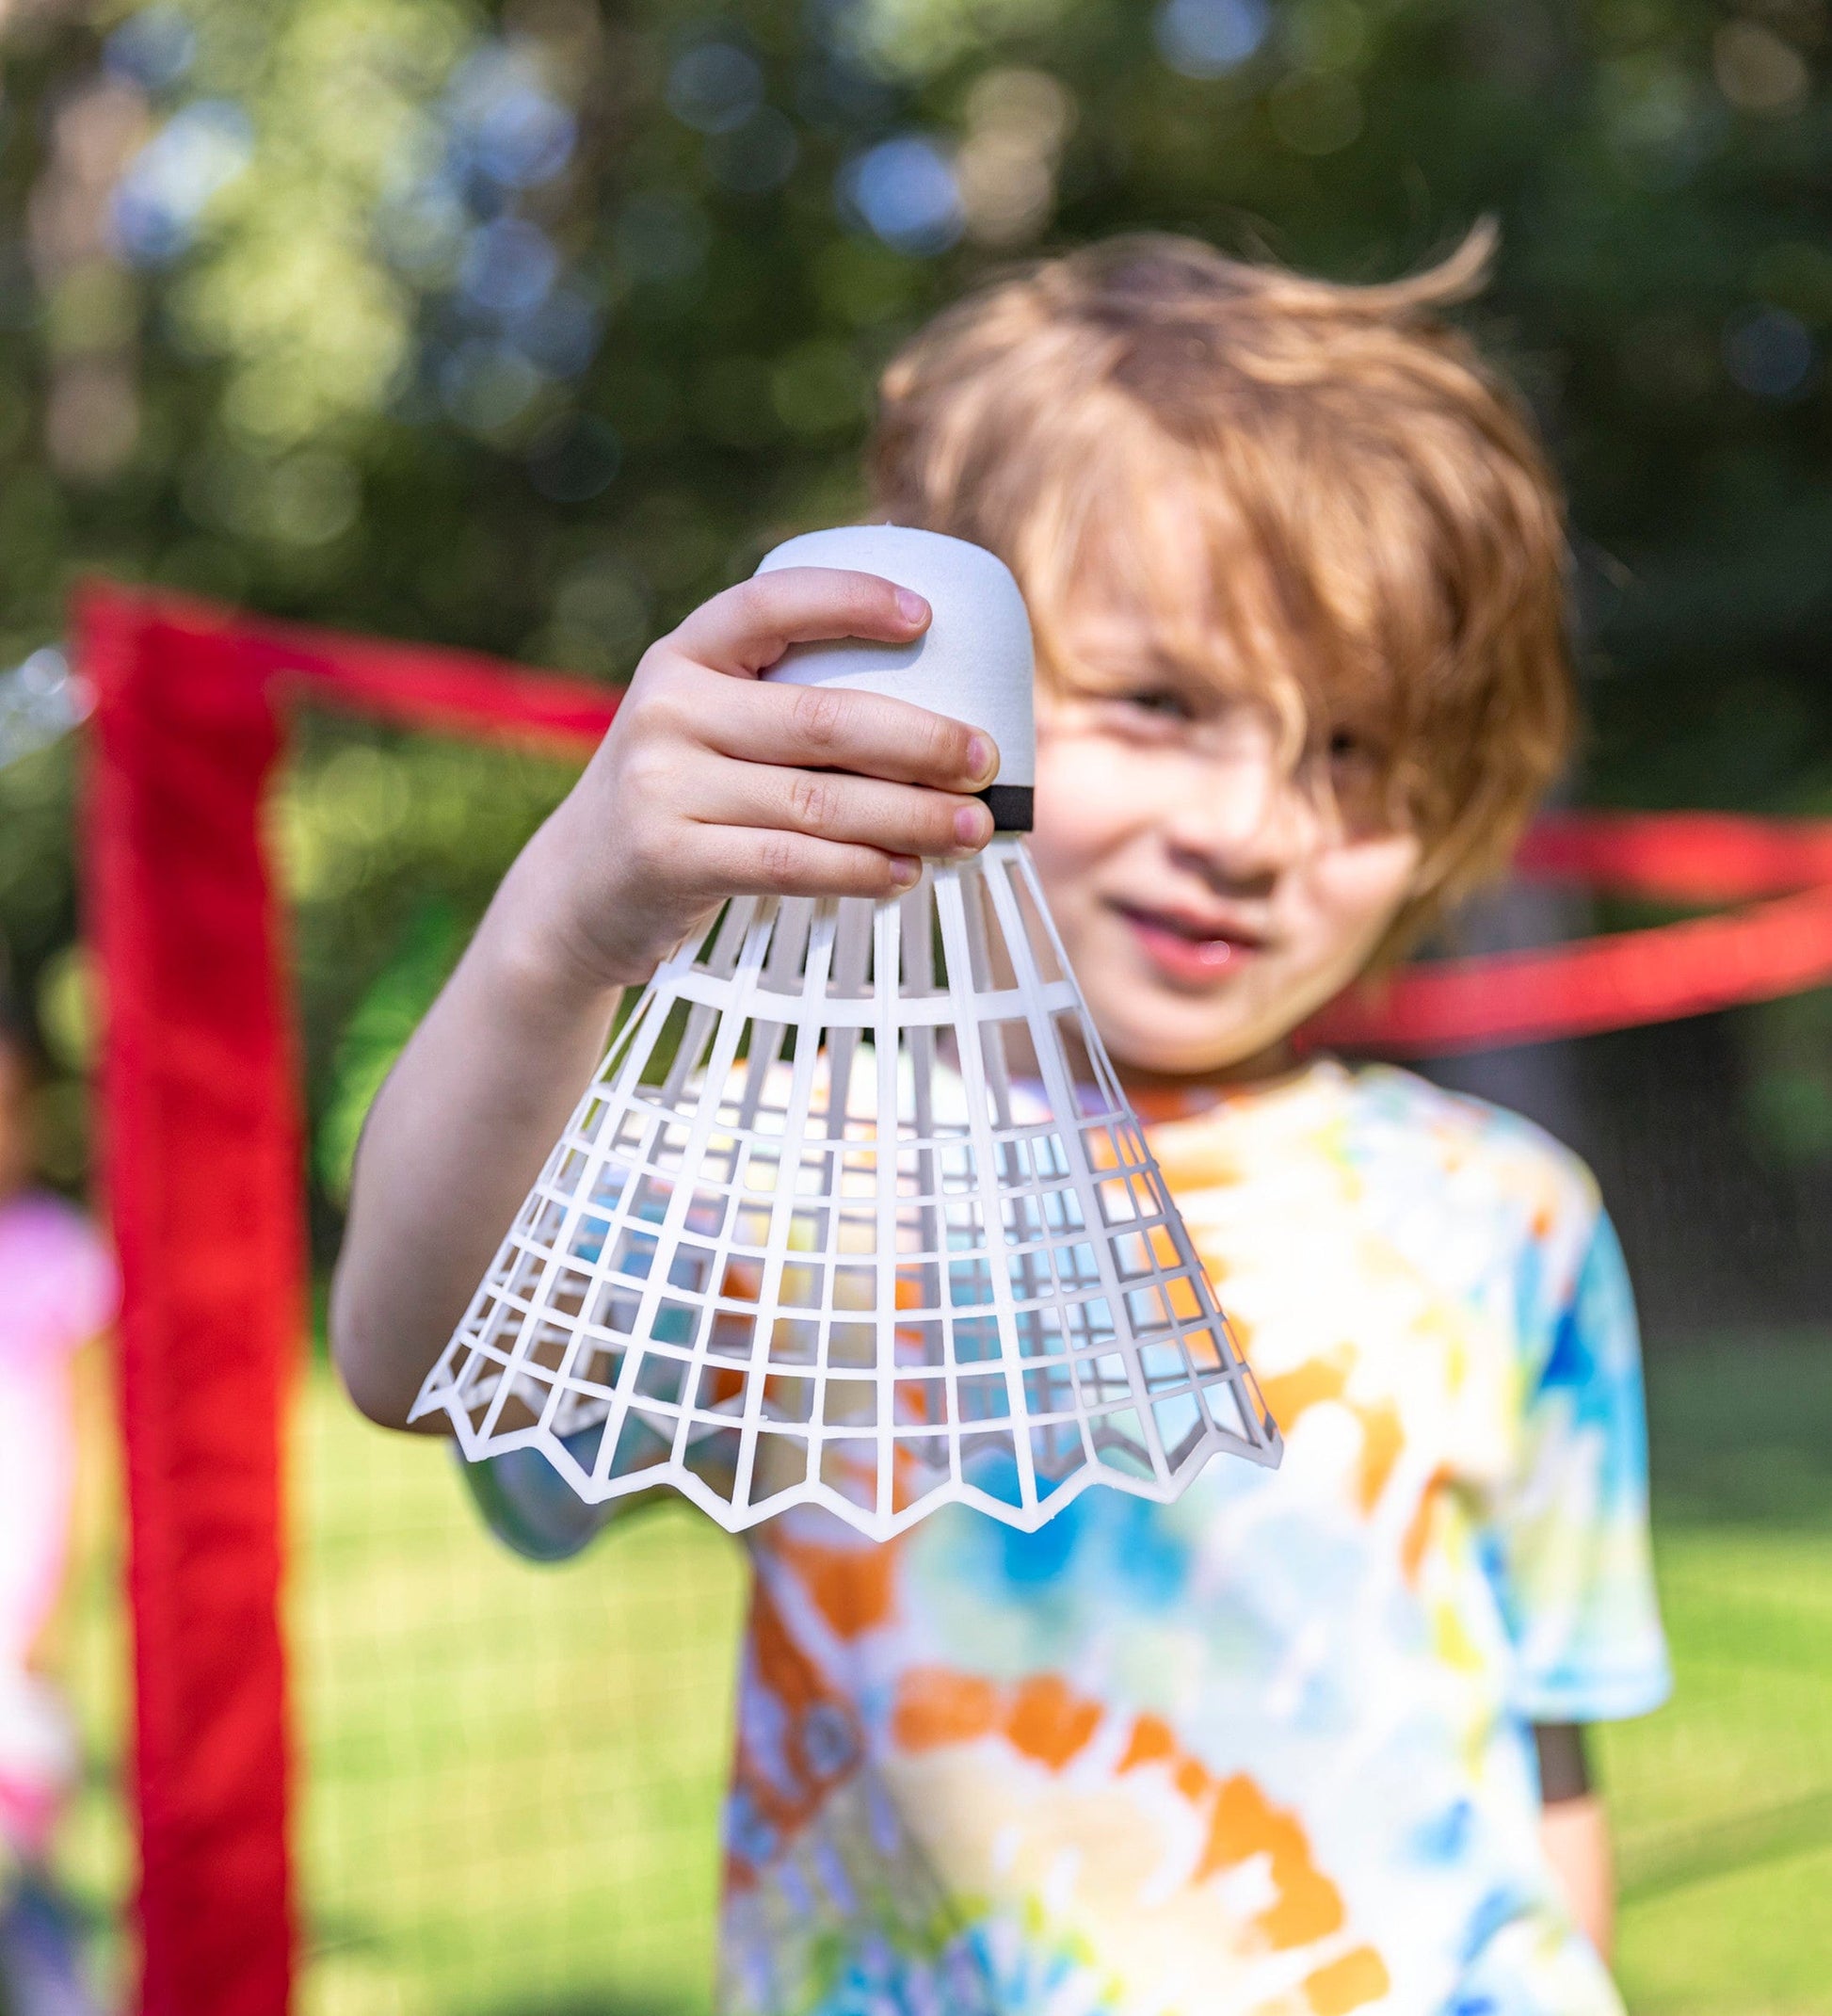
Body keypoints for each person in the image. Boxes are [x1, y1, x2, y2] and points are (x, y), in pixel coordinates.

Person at [331, 229, 1670, 2016]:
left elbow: (1544, 1760)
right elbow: (414, 1365)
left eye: (1353, 750)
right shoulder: (791, 1167)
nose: (1253, 826)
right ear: (955, 697)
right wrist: (569, 920)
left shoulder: (1504, 1215)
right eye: (1160, 702)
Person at [0, 1009, 115, 2015]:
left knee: (24, 1862)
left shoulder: (58, 1253)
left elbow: (91, 1451)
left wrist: (54, 1609)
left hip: (18, 1626)